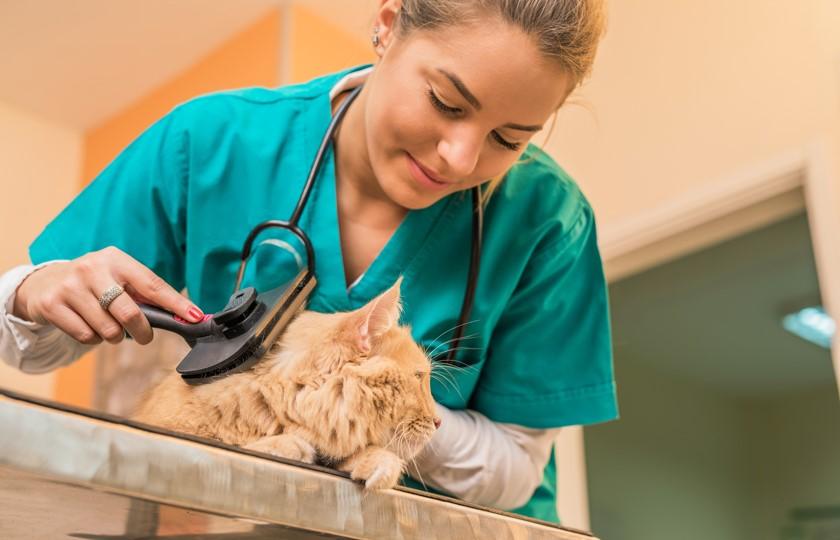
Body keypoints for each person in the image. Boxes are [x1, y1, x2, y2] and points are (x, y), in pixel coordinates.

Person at [0, 0, 617, 523]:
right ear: (389, 23)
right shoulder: (214, 141)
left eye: (509, 139)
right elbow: (32, 349)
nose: (459, 158)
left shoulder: (548, 219)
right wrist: (34, 292)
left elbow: (511, 469)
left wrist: (367, 403)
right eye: (446, 103)